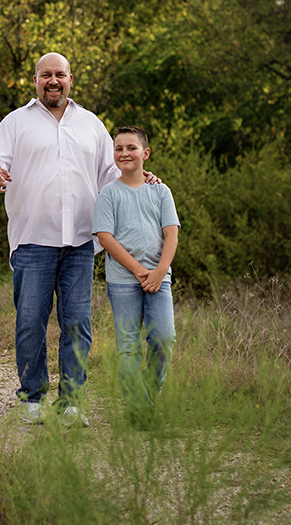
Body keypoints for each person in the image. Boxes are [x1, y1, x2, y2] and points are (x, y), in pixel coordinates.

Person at [0, 52, 156, 427]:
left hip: (82, 242)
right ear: (35, 81)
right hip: (32, 239)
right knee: (30, 321)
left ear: (71, 79)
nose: (52, 81)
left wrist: (140, 175)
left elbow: (112, 172)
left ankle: (71, 402)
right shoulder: (16, 122)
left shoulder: (90, 124)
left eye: (59, 75)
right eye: (45, 75)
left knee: (77, 324)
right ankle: (32, 398)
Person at [92, 126, 180, 430]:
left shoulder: (161, 191)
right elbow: (105, 237)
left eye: (131, 148)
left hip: (160, 279)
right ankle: (138, 407)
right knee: (127, 345)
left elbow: (171, 235)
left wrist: (158, 272)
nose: (124, 153)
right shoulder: (108, 193)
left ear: (146, 153)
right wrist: (139, 271)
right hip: (123, 281)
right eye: (118, 148)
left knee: (164, 338)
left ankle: (147, 389)